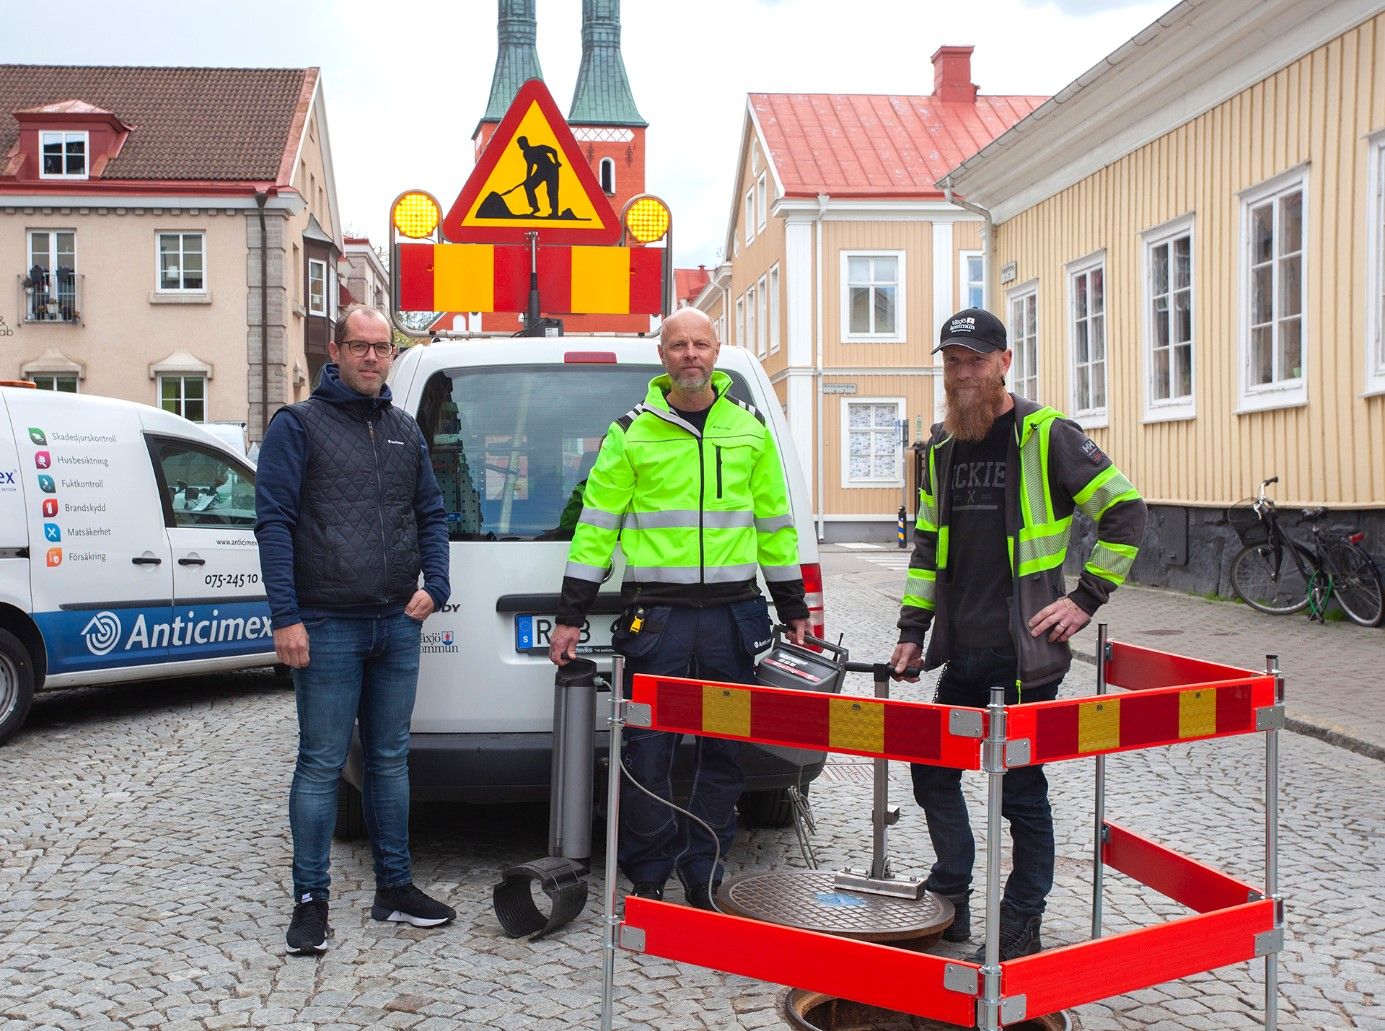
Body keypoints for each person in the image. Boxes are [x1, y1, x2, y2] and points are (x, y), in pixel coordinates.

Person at [890, 307, 1146, 961]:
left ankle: (1020, 919)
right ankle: (950, 893)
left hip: (1025, 652)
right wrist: (912, 630)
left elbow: (1125, 511)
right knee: (933, 770)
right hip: (964, 649)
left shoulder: (1045, 433)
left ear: (1004, 362)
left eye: (974, 360)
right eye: (951, 361)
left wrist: (1084, 598)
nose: (962, 372)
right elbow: (927, 551)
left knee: (1020, 791)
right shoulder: (941, 447)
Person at [548, 308, 810, 909]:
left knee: (725, 747)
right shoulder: (630, 432)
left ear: (716, 352)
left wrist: (792, 604)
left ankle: (705, 869)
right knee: (648, 748)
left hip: (733, 617)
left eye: (701, 344)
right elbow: (595, 530)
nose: (690, 354)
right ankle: (647, 872)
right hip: (657, 618)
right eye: (678, 345)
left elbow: (775, 526)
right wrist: (570, 613)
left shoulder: (749, 429)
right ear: (661, 356)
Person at [255, 303, 454, 955]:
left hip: (394, 620)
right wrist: (286, 615)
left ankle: (393, 889)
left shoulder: (401, 428)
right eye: (360, 346)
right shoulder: (298, 425)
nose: (372, 357)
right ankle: (310, 902)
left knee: (391, 757)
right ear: (335, 352)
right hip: (326, 621)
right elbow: (274, 523)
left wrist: (437, 585)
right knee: (320, 763)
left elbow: (431, 511)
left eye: (382, 348)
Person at [516, 135, 561, 217]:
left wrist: (556, 161)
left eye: (520, 144)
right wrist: (528, 178)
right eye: (519, 144)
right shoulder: (526, 153)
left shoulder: (540, 148)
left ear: (525, 143)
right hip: (541, 170)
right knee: (528, 186)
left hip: (551, 170)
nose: (519, 146)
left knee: (552, 191)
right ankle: (535, 207)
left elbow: (553, 151)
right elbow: (530, 165)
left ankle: (555, 212)